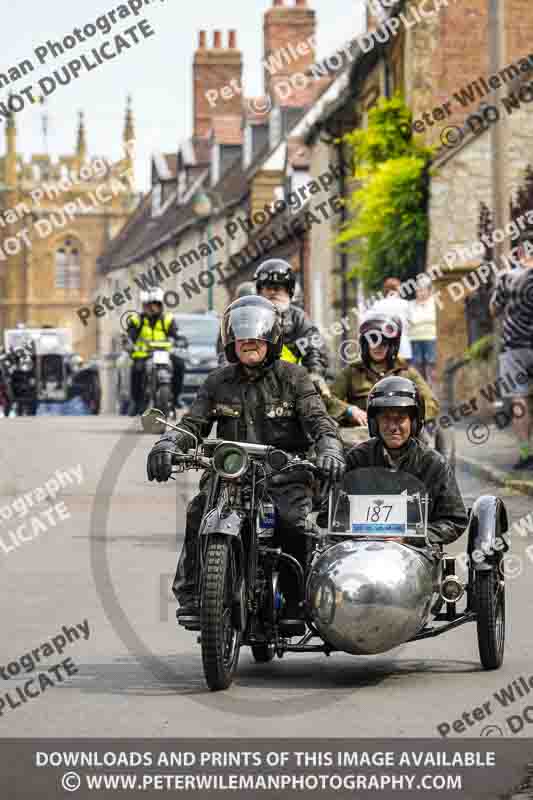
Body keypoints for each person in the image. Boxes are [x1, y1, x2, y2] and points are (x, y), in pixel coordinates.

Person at [146, 295, 345, 621]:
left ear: (271, 339)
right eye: (241, 339)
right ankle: (195, 593)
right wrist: (167, 443)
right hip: (229, 474)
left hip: (284, 474)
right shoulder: (217, 382)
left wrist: (330, 447)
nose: (248, 344)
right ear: (230, 342)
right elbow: (192, 424)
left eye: (255, 338)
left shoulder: (294, 378)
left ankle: (297, 598)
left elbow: (319, 421)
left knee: (293, 523)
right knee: (199, 511)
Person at [344, 376, 467, 548]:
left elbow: (455, 520)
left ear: (414, 422)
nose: (393, 426)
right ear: (374, 422)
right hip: (363, 552)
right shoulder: (357, 458)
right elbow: (333, 513)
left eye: (400, 418)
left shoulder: (434, 464)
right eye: (386, 418)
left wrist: (411, 538)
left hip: (416, 554)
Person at [327, 313, 439, 427]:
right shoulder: (351, 371)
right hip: (359, 434)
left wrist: (409, 418)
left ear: (391, 347)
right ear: (366, 345)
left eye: (384, 343)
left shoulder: (406, 372)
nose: (378, 347)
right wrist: (349, 410)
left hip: (400, 433)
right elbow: (328, 398)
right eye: (373, 342)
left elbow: (431, 403)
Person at [490, 228, 533, 469]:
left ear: (518, 252)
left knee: (519, 399)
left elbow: (493, 310)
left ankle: (526, 453)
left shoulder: (506, 277)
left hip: (514, 347)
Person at [254, 259, 330, 382]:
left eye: (279, 287)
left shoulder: (299, 318)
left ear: (289, 291)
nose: (273, 292)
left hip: (290, 385)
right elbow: (228, 354)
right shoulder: (246, 316)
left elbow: (314, 349)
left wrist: (315, 374)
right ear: (259, 291)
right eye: (268, 287)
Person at [127, 288, 185, 415]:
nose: (152, 308)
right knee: (136, 371)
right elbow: (130, 336)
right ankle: (136, 402)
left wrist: (180, 340)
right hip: (144, 355)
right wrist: (129, 344)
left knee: (180, 365)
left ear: (160, 305)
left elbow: (176, 334)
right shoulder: (137, 320)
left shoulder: (167, 319)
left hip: (164, 353)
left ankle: (175, 398)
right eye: (148, 305)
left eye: (155, 304)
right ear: (144, 306)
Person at [369, 277, 412, 362]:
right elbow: (411, 321)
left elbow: (369, 322)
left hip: (385, 343)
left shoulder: (378, 305)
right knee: (403, 372)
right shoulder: (405, 304)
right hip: (402, 343)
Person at [216, 281, 256, 366]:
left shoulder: (264, 319)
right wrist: (225, 363)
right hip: (235, 365)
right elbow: (222, 346)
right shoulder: (230, 319)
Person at [409, 278, 438, 387]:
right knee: (417, 366)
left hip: (431, 337)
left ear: (429, 291)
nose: (419, 293)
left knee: (431, 365)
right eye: (417, 290)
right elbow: (409, 320)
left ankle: (432, 390)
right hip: (414, 338)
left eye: (422, 290)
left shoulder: (434, 303)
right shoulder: (410, 305)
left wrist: (418, 321)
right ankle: (421, 390)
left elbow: (433, 319)